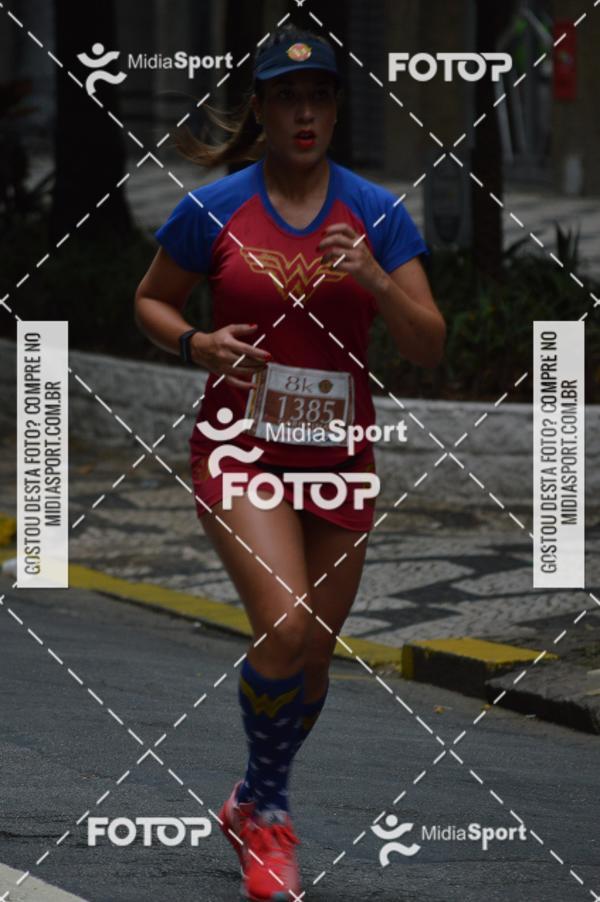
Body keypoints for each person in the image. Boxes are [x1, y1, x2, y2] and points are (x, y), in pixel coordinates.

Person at [134, 22, 445, 902]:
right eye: (287, 97)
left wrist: (378, 282)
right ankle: (268, 815)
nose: (304, 112)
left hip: (339, 461)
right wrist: (197, 341)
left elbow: (427, 344)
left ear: (335, 110)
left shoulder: (377, 213)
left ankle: (248, 796)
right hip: (239, 452)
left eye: (320, 98)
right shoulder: (216, 207)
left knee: (312, 660)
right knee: (285, 626)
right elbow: (151, 301)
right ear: (262, 108)